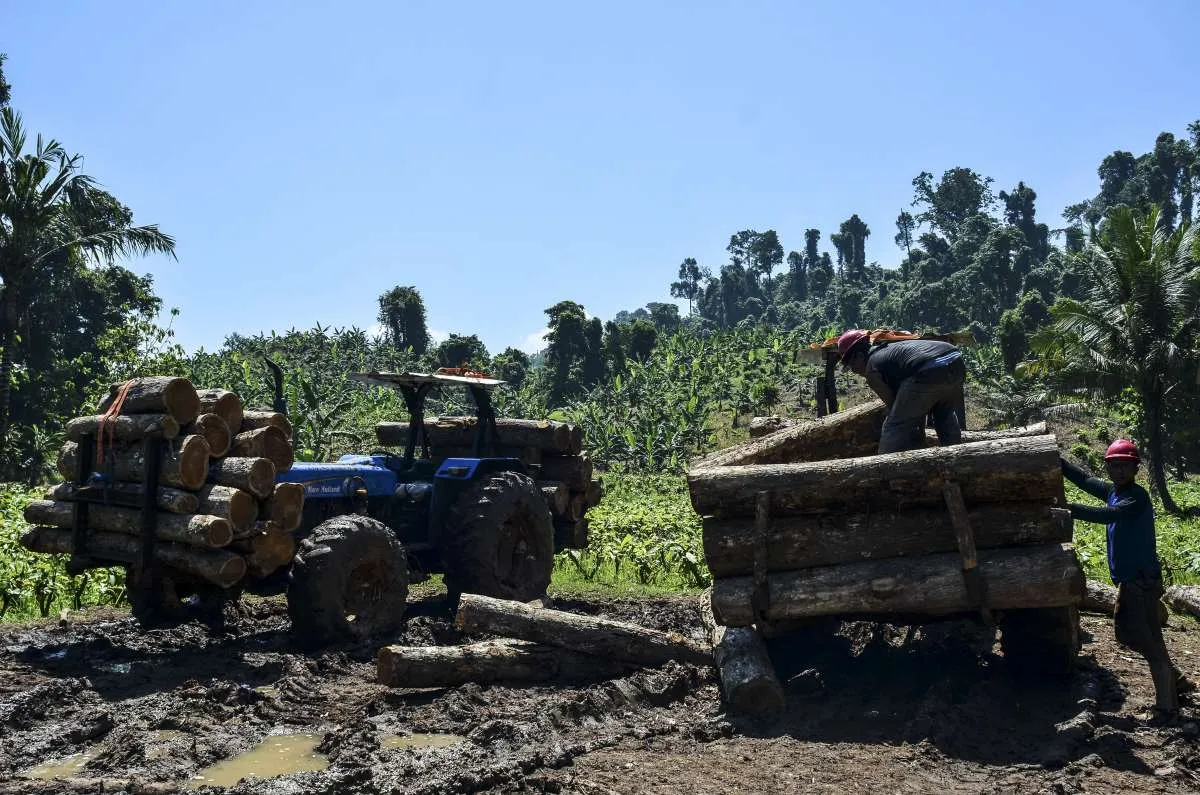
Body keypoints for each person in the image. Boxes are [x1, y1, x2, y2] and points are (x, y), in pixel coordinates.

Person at [1061, 440, 1193, 718]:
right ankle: (1176, 682)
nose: (1119, 471)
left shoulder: (1135, 498)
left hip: (1141, 583)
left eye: (1125, 466)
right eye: (1114, 466)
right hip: (1133, 582)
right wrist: (1056, 462)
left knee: (1145, 641)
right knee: (1143, 638)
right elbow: (1084, 479)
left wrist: (1067, 508)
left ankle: (1167, 708)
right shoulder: (1114, 492)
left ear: (1135, 468)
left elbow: (1110, 515)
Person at [835, 329, 966, 454]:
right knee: (944, 416)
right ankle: (959, 464)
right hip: (955, 361)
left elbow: (897, 411)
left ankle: (883, 472)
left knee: (894, 426)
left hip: (928, 369)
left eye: (852, 365)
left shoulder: (872, 368)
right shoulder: (890, 352)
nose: (854, 371)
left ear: (859, 355)